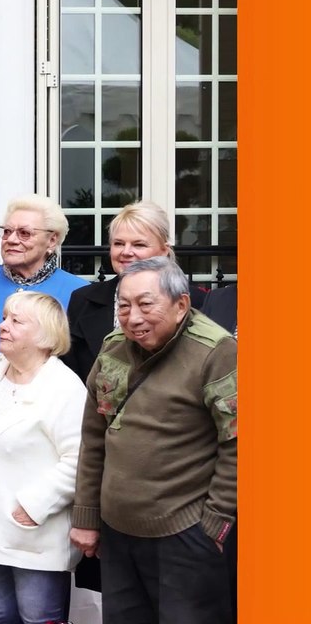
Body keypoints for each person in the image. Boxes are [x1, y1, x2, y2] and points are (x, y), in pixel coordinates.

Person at [69, 257, 237, 624]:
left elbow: (238, 445)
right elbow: (94, 435)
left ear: (181, 305)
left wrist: (215, 523)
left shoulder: (216, 352)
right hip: (118, 532)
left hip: (187, 533)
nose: (133, 317)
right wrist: (86, 515)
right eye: (124, 306)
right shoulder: (113, 347)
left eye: (146, 304)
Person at [0, 292, 86, 624]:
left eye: (16, 321)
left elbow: (80, 459)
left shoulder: (64, 388)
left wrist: (34, 504)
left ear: (44, 336)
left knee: (38, 618)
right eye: (4, 317)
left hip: (34, 533)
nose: (3, 326)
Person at [62, 201, 203, 385]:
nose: (126, 252)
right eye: (119, 243)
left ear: (164, 251)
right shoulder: (82, 300)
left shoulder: (196, 301)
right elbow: (70, 373)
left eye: (139, 244)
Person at [0, 194, 86, 387]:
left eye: (24, 233)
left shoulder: (78, 292)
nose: (11, 239)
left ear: (52, 240)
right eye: (7, 231)